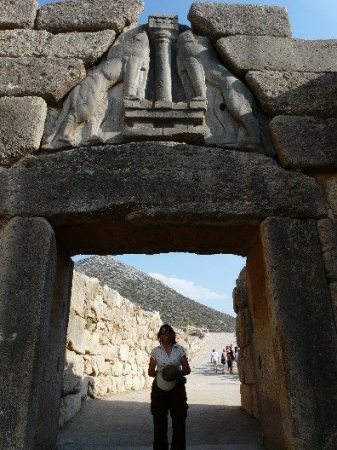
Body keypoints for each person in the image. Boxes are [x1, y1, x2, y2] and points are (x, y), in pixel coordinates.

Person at [148, 323, 191, 450]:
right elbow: (150, 372)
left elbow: (187, 369)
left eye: (168, 334)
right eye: (162, 334)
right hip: (159, 388)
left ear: (172, 335)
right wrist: (162, 373)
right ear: (159, 336)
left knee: (179, 420)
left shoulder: (179, 350)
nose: (165, 336)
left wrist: (175, 372)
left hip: (177, 387)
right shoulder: (156, 351)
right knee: (159, 420)